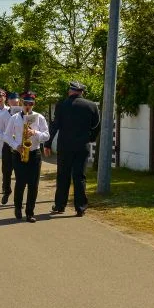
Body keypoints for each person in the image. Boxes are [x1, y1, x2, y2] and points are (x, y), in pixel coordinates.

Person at [45, 81, 101, 216]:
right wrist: (91, 138)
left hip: (65, 146)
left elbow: (55, 126)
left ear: (70, 91)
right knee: (79, 176)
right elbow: (97, 125)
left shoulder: (62, 105)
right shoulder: (92, 105)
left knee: (63, 176)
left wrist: (47, 144)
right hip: (82, 146)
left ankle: (59, 205)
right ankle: (80, 207)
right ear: (82, 92)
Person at [4, 91, 49, 222]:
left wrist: (34, 132)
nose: (28, 106)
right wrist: (16, 146)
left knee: (33, 185)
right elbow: (7, 136)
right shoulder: (15, 118)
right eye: (26, 103)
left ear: (34, 104)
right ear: (22, 103)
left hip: (34, 153)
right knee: (20, 182)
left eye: (31, 103)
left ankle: (30, 212)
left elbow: (47, 135)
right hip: (19, 153)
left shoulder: (39, 117)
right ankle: (18, 207)